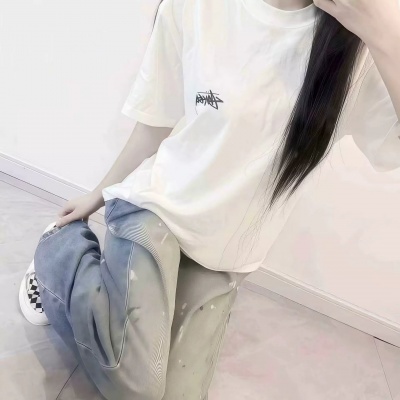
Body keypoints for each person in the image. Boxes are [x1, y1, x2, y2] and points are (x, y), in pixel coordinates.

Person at [18, 0, 400, 399]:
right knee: (136, 386)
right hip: (156, 212)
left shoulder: (361, 43)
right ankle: (58, 254)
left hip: (221, 258)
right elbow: (154, 123)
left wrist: (389, 35)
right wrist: (96, 195)